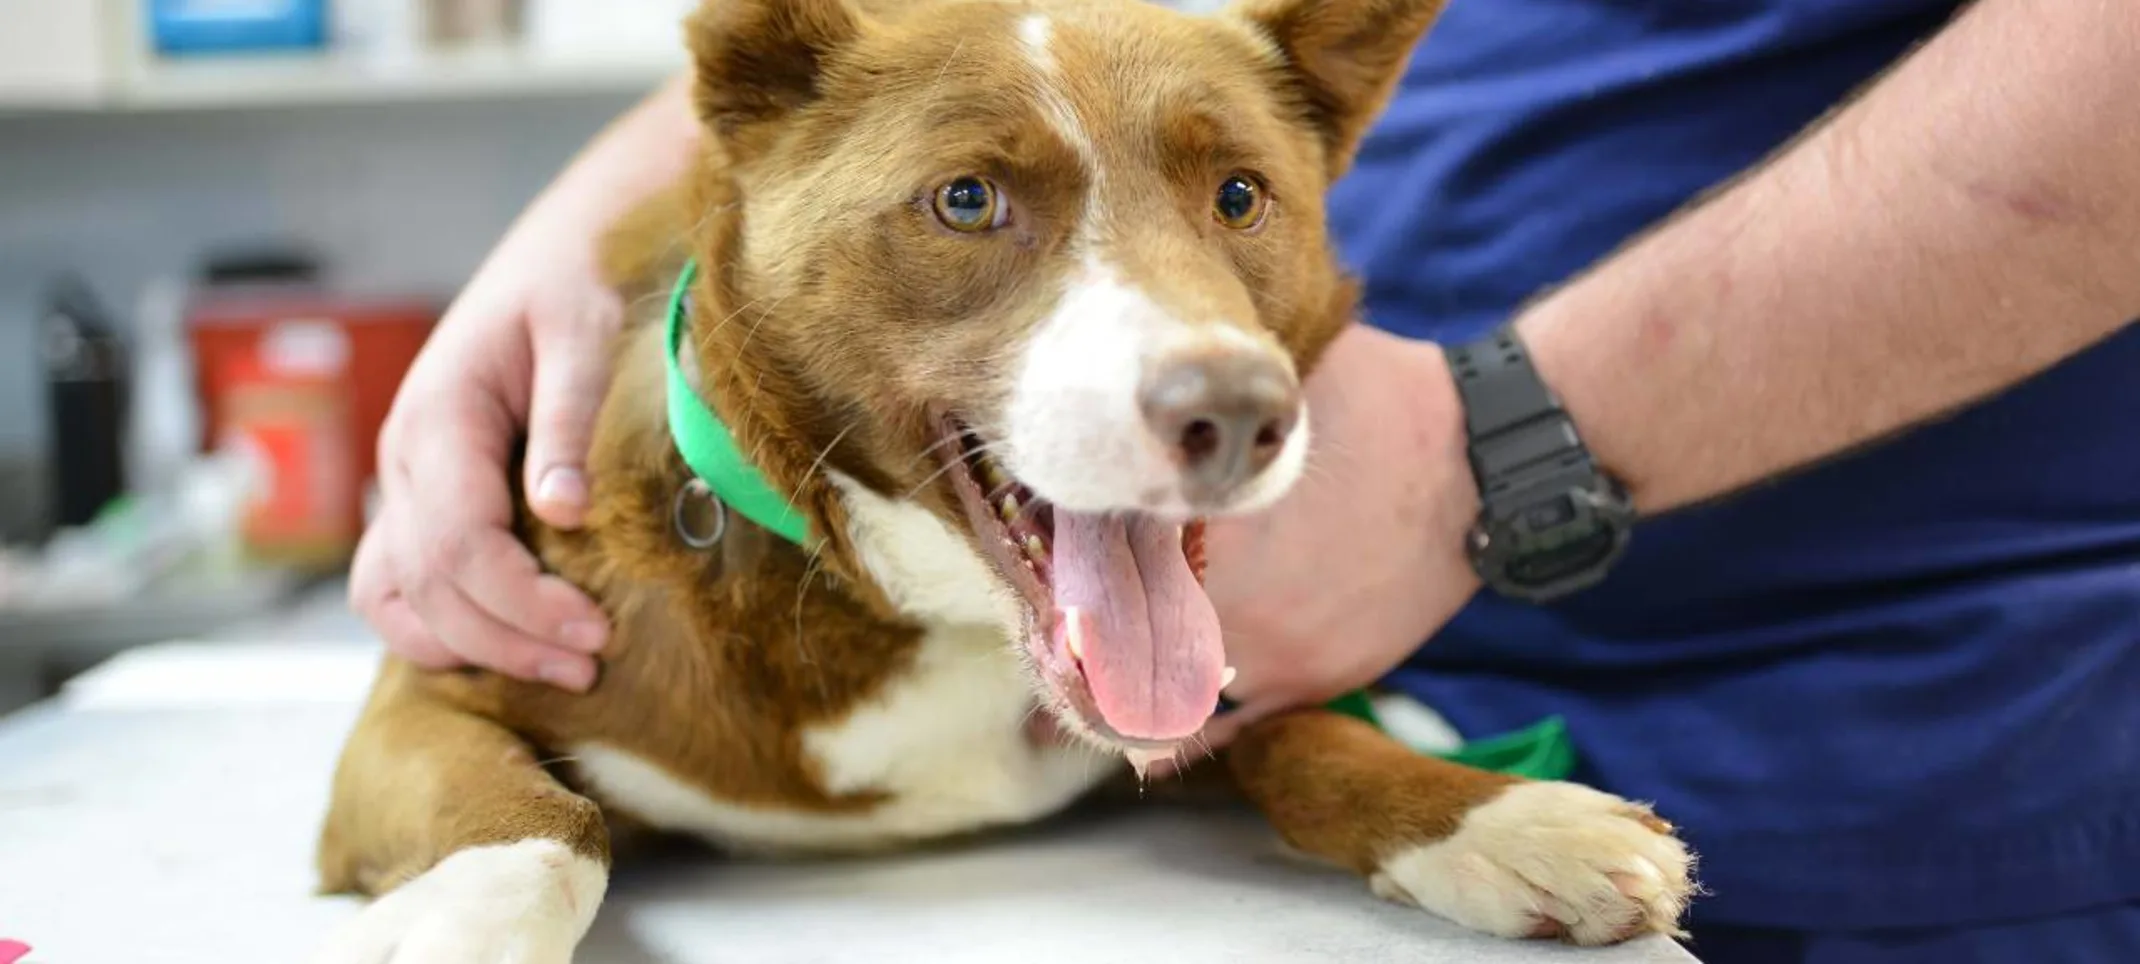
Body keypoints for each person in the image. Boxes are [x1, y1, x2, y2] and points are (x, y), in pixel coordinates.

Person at [350, 0, 2140, 960]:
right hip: (1272, 761)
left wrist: (1481, 455)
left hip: (1896, 754)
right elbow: (910, 51)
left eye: (1237, 206)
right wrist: (580, 234)